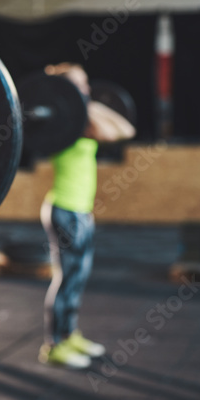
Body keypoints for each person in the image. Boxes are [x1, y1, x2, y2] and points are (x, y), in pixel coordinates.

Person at [37, 63, 135, 370]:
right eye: (79, 86)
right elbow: (113, 131)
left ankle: (70, 334)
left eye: (86, 85)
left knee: (77, 279)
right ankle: (54, 346)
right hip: (65, 209)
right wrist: (78, 103)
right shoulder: (66, 123)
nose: (87, 91)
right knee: (66, 279)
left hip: (81, 210)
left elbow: (126, 130)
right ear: (64, 94)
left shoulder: (81, 116)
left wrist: (83, 100)